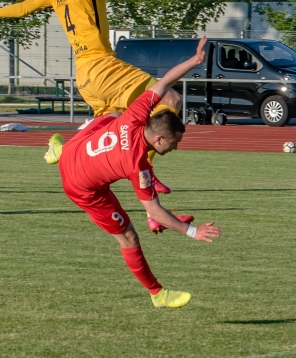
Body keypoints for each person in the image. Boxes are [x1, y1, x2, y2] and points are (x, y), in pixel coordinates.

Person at [0, 0, 179, 223]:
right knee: (170, 99)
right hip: (103, 65)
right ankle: (147, 171)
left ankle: (63, 149)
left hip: (84, 75)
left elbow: (24, 7)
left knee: (111, 127)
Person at [56, 37, 220, 308]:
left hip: (73, 152)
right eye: (174, 143)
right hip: (80, 186)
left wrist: (194, 61)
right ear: (159, 140)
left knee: (112, 114)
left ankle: (58, 149)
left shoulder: (136, 114)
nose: (176, 148)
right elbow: (155, 212)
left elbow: (164, 82)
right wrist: (192, 232)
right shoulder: (138, 166)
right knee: (128, 237)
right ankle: (158, 294)